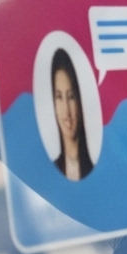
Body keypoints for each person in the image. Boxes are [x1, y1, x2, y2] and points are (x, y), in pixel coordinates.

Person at [49, 47, 94, 182]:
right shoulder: (50, 172)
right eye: (59, 97)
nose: (66, 111)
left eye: (71, 97)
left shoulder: (94, 171)